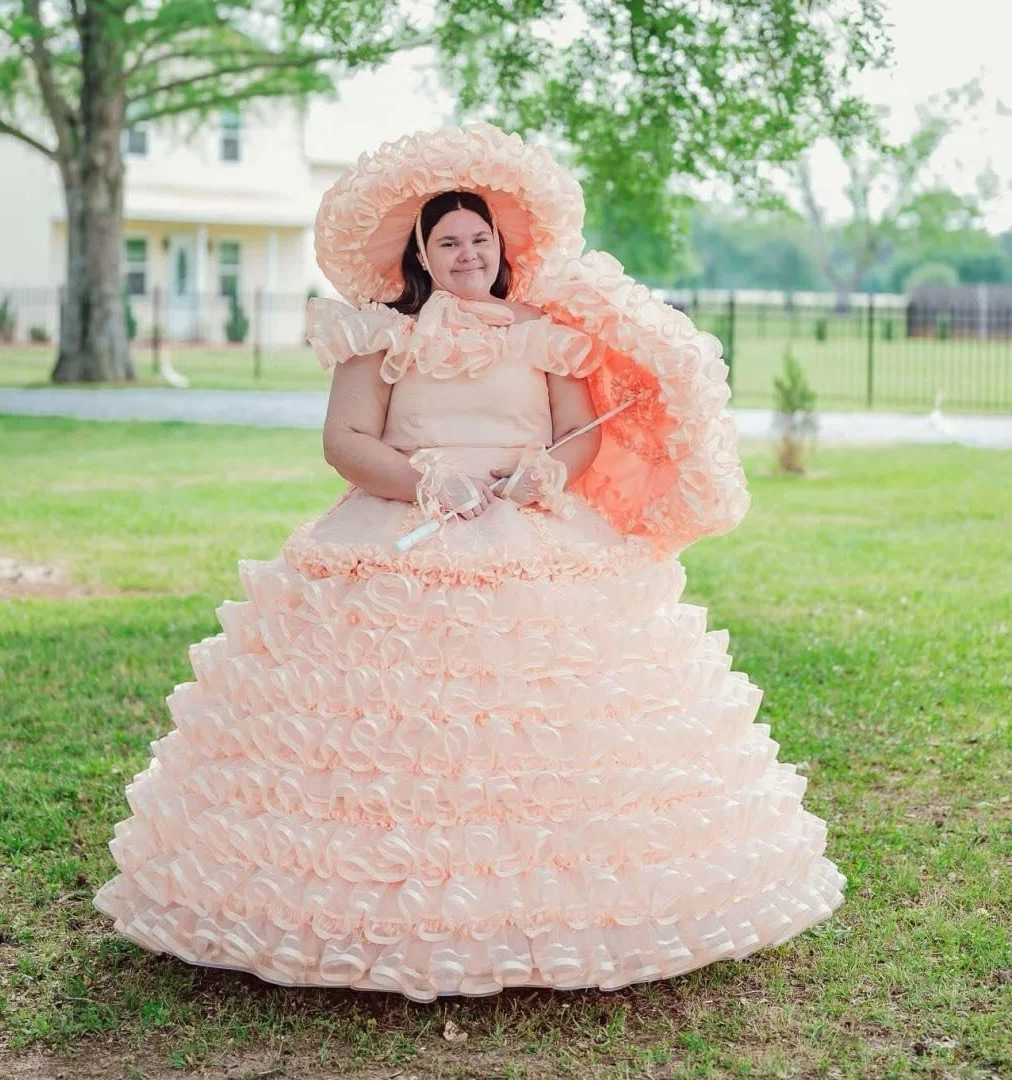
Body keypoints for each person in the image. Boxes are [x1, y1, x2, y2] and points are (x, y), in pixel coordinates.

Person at [94, 123, 846, 1001]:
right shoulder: (379, 335)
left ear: (500, 246)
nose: (467, 255)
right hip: (398, 521)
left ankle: (557, 904)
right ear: (421, 253)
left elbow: (577, 435)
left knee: (545, 726)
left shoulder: (546, 334)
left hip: (530, 526)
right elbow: (345, 441)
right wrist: (426, 479)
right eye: (448, 242)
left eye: (479, 239)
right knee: (385, 736)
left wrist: (544, 474)